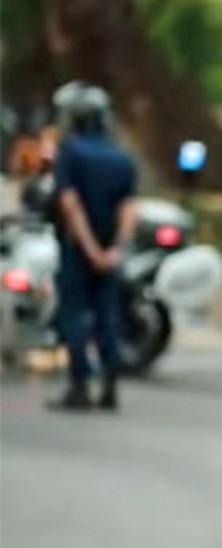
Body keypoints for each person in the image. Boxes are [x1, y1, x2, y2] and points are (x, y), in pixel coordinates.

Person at [47, 80, 137, 412]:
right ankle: (110, 383)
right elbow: (129, 208)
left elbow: (70, 205)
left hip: (78, 249)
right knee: (107, 314)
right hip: (109, 250)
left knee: (74, 314)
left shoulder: (71, 153)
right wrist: (115, 249)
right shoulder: (119, 156)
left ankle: (80, 385)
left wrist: (89, 248)